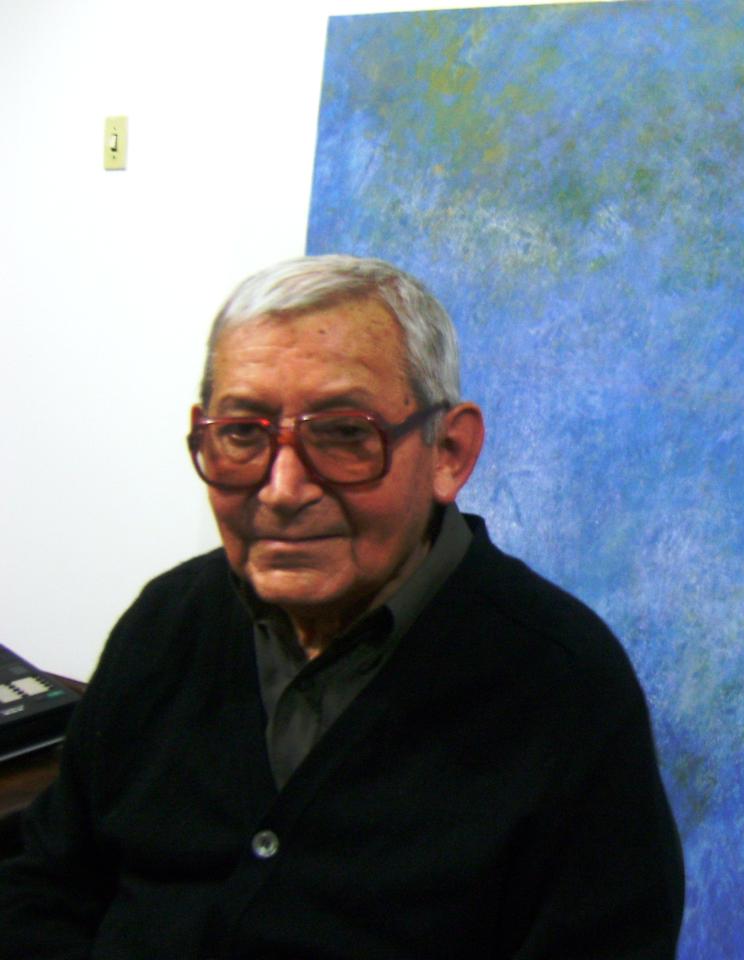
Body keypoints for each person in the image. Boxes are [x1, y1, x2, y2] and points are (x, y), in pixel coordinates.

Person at [0, 255, 684, 959]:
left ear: (448, 452)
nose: (282, 489)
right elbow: (45, 888)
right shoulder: (167, 621)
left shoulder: (564, 684)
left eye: (344, 433)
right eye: (243, 433)